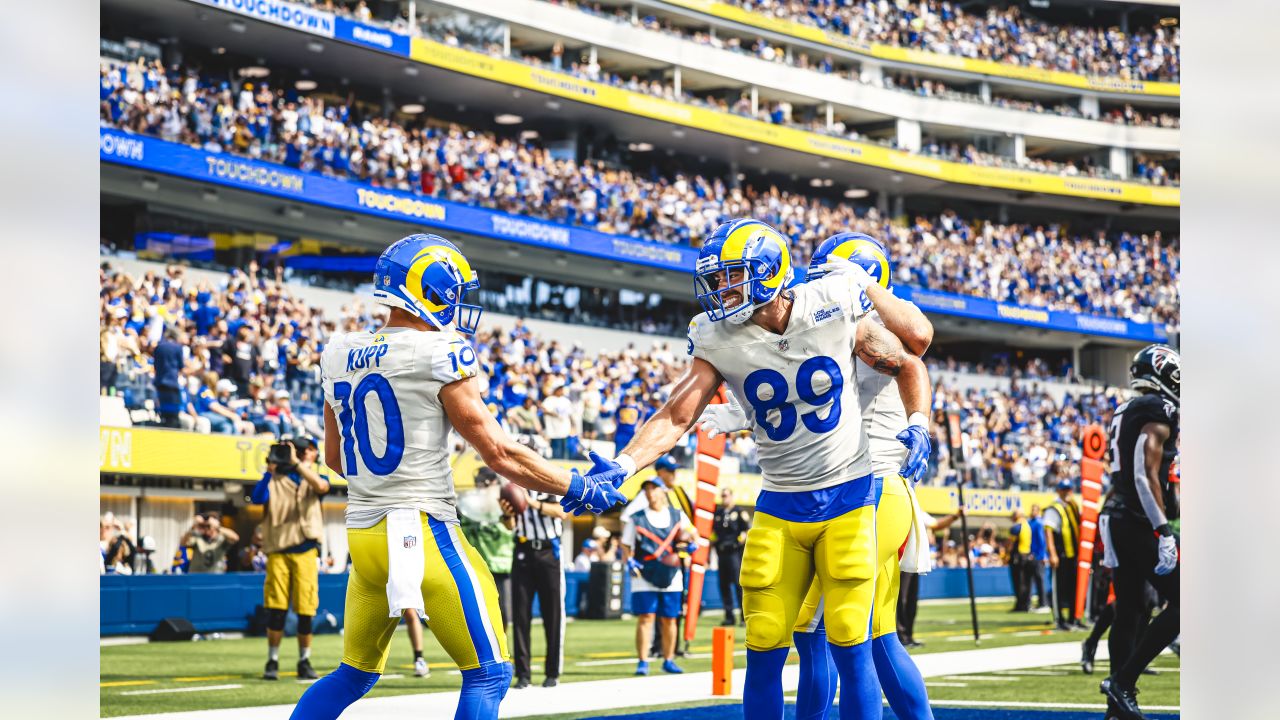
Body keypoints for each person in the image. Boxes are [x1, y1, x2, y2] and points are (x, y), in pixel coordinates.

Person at [581, 220, 934, 720]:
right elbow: (676, 414)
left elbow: (910, 360)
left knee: (853, 644)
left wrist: (918, 423)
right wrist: (623, 464)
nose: (720, 289)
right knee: (765, 645)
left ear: (768, 273)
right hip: (779, 504)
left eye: (731, 276)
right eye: (718, 278)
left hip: (851, 498)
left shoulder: (832, 302)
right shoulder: (716, 336)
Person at [288, 234, 624, 720]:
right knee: (489, 673)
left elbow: (335, 459)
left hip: (363, 535)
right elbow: (499, 452)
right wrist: (577, 484)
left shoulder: (338, 351)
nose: (459, 302)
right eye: (453, 289)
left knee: (355, 674)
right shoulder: (438, 350)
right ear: (428, 288)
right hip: (421, 530)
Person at [700, 232, 938, 720]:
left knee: (844, 635)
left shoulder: (866, 321)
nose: (817, 282)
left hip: (868, 486)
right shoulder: (829, 321)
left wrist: (864, 288)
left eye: (829, 273)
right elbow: (802, 391)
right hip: (862, 488)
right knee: (860, 636)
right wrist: (745, 414)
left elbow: (916, 342)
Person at [1100, 345, 1181, 720]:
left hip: (1118, 516)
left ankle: (1116, 709)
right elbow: (1141, 472)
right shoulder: (1159, 409)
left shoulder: (1125, 408)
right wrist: (1163, 529)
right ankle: (1123, 683)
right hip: (1137, 519)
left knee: (1131, 612)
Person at [250, 435, 330, 681]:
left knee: (306, 609)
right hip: (279, 550)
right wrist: (268, 471)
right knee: (276, 609)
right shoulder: (273, 479)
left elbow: (322, 487)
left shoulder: (313, 476)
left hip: (306, 549)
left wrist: (297, 465)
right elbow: (257, 498)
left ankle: (304, 660)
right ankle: (272, 659)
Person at [622, 479, 695, 676]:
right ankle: (643, 661)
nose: (649, 493)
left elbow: (691, 535)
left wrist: (689, 545)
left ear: (662, 492)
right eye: (646, 489)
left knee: (670, 618)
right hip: (644, 571)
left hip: (671, 573)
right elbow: (626, 544)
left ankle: (668, 659)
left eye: (653, 488)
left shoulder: (677, 515)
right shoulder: (636, 518)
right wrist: (629, 561)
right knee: (646, 617)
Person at [509, 479, 568, 689]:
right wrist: (507, 513)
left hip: (549, 552)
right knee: (520, 616)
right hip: (523, 550)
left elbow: (562, 512)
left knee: (553, 615)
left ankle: (552, 672)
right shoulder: (512, 485)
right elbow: (510, 525)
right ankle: (523, 674)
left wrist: (531, 503)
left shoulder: (549, 481)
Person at [458, 467, 516, 629]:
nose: (478, 487)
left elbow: (511, 525)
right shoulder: (467, 505)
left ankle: (501, 647)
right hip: (476, 565)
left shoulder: (504, 501)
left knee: (502, 611)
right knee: (476, 611)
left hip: (499, 564)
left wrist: (506, 514)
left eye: (482, 483)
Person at [1044, 479, 1084, 630]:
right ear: (1058, 491)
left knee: (1074, 587)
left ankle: (1074, 618)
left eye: (1069, 489)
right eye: (1064, 489)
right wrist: (1052, 554)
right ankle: (1060, 619)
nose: (1068, 492)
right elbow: (1048, 532)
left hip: (1074, 554)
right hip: (1061, 554)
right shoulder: (1053, 509)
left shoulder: (1073, 506)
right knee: (1059, 587)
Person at [712, 487, 750, 626]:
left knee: (738, 586)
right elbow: (713, 533)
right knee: (724, 585)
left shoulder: (739, 512)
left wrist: (739, 542)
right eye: (722, 496)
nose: (724, 498)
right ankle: (729, 616)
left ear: (732, 496)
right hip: (721, 554)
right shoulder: (719, 513)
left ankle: (743, 617)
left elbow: (746, 529)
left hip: (734, 553)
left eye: (726, 495)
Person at [1007, 509, 1033, 612]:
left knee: (1018, 582)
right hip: (1027, 555)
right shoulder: (1027, 525)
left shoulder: (1016, 527)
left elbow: (1011, 544)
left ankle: (1021, 605)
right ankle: (1026, 603)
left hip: (1018, 557)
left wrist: (1006, 556)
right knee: (1026, 582)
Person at [1027, 504, 1049, 611]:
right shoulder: (1030, 522)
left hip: (1037, 556)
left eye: (1034, 510)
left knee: (1040, 580)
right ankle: (1035, 603)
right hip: (1031, 555)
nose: (1032, 511)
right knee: (1032, 581)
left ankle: (1043, 603)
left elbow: (1042, 541)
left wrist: (1042, 555)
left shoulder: (1039, 523)